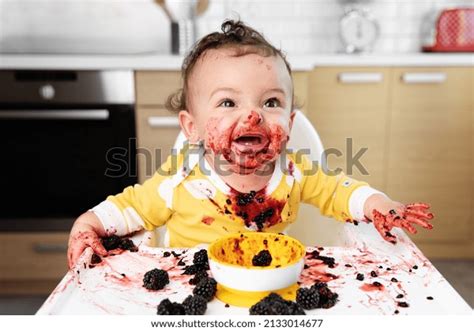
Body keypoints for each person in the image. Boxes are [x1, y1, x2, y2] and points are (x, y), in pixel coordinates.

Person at [67, 20, 433, 269]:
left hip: (269, 285)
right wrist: (88, 224)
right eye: (228, 103)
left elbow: (341, 191)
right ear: (191, 127)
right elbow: (129, 208)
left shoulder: (295, 173)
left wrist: (378, 205)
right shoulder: (179, 182)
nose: (253, 116)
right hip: (191, 288)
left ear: (289, 125)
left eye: (270, 102)